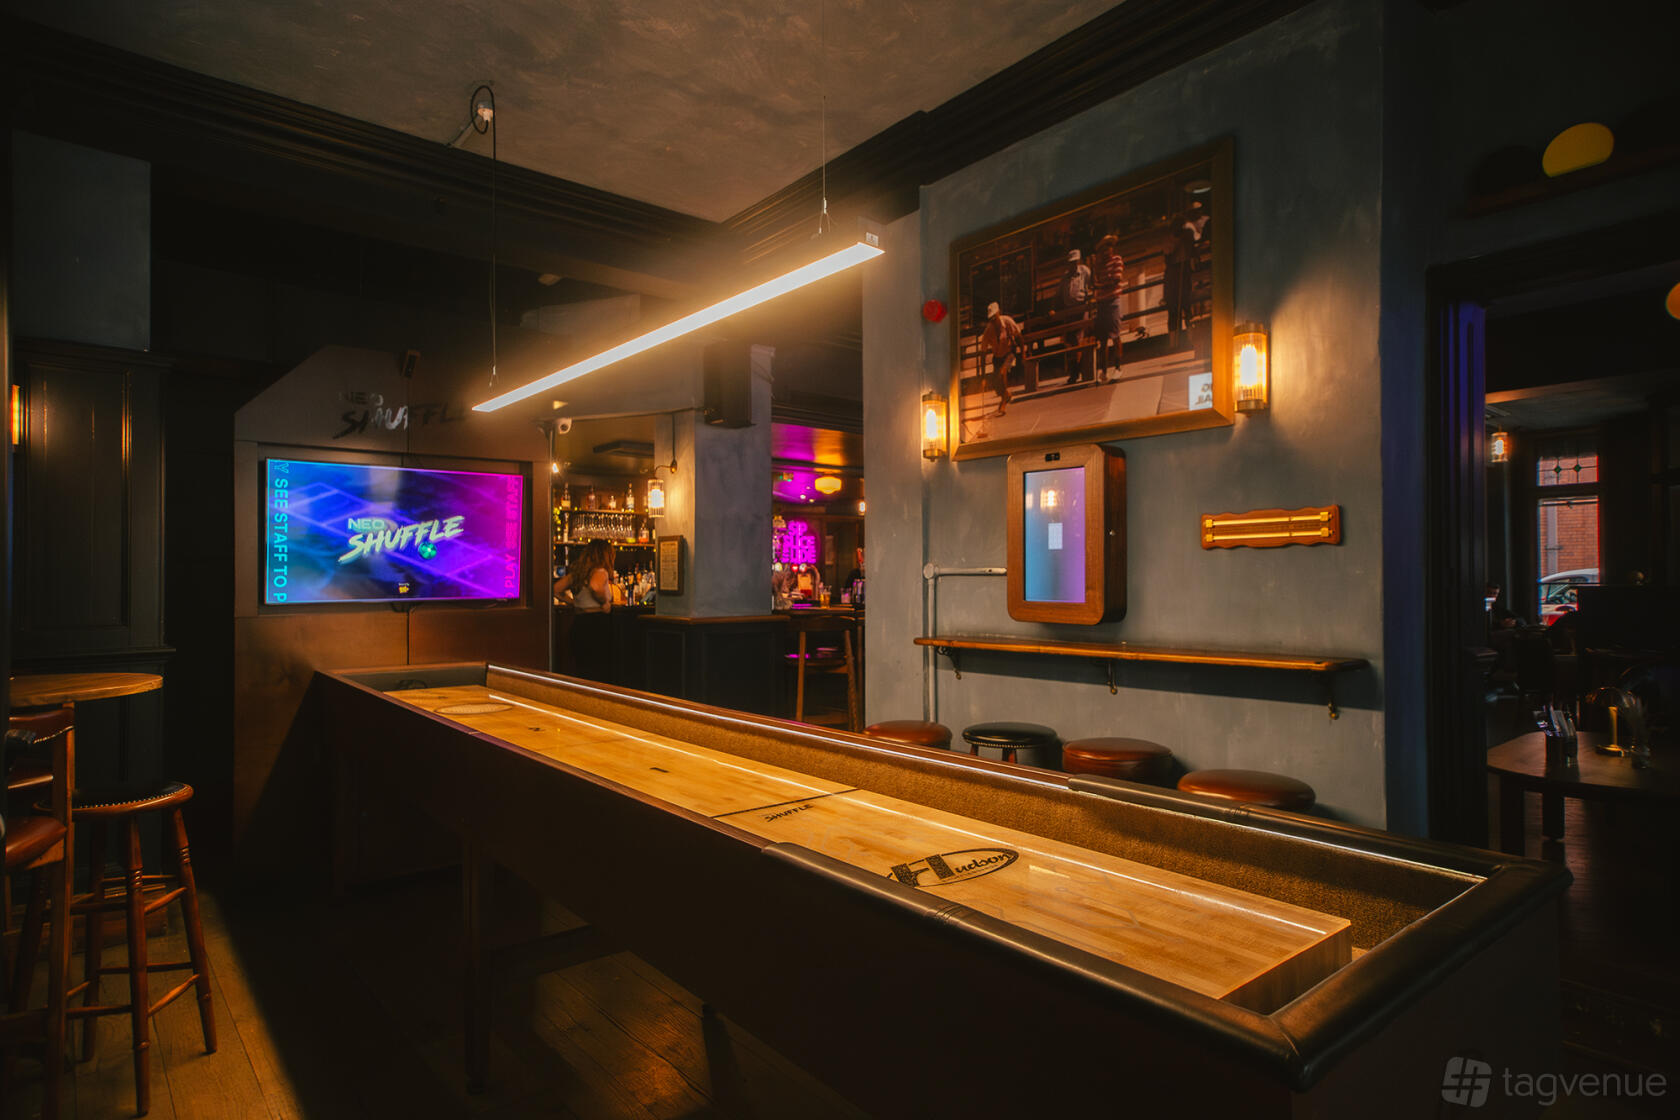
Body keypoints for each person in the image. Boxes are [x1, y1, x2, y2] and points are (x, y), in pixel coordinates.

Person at [1163, 199, 1209, 349]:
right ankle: (1173, 343)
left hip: (1183, 272)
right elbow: (1168, 257)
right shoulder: (1171, 240)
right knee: (1174, 309)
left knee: (1187, 307)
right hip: (1175, 274)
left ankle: (1189, 340)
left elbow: (1193, 251)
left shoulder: (1187, 234)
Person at [978, 301, 1024, 416]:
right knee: (996, 384)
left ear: (999, 313)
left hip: (1009, 353)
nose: (993, 320)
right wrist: (983, 376)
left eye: (995, 317)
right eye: (991, 319)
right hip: (997, 356)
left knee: (1003, 372)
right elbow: (983, 353)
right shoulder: (988, 331)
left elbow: (1019, 337)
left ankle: (1003, 403)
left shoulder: (1007, 321)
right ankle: (1006, 395)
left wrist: (1023, 353)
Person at [1090, 234, 1125, 382]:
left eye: (1108, 247)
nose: (1106, 251)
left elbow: (1116, 280)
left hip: (1112, 301)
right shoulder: (1098, 265)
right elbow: (1094, 282)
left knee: (1115, 335)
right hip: (1102, 303)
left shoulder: (1117, 260)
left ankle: (1118, 367)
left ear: (1112, 248)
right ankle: (1104, 371)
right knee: (1103, 339)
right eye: (1103, 249)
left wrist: (1100, 286)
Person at [1058, 249, 1092, 383]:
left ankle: (1081, 370)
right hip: (1068, 311)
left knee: (1080, 340)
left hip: (1081, 309)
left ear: (1078, 261)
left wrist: (1090, 300)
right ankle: (1074, 372)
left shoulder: (1085, 271)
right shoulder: (1065, 277)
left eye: (1074, 262)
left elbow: (1091, 286)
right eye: (1070, 262)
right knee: (1070, 342)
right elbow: (1059, 295)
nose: (1072, 265)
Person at [569, 539, 617, 613]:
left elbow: (556, 590)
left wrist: (574, 603)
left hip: (579, 617)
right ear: (606, 556)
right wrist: (604, 603)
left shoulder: (578, 573)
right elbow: (595, 587)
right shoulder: (600, 571)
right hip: (597, 617)